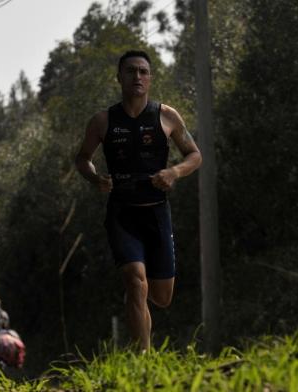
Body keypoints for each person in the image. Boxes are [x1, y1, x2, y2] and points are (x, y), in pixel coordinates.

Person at [75, 50, 202, 350]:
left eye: (143, 71)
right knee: (135, 281)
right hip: (122, 215)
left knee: (160, 297)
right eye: (131, 71)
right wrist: (96, 178)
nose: (137, 77)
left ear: (150, 78)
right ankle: (143, 360)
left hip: (157, 214)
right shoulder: (102, 121)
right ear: (119, 77)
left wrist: (174, 172)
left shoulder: (167, 116)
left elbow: (195, 155)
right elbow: (82, 158)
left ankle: (140, 323)